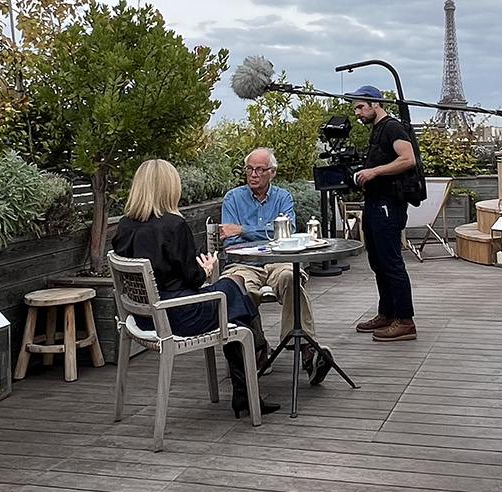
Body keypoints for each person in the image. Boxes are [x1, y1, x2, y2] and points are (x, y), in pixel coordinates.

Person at [110, 158, 280, 418]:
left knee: (233, 289)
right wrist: (207, 269)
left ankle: (250, 373)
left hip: (142, 317)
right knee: (234, 290)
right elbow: (192, 279)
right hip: (177, 316)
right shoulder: (173, 226)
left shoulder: (125, 225)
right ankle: (255, 353)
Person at [219, 148, 335, 386]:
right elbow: (229, 240)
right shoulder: (233, 198)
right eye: (249, 169)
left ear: (271, 172)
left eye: (259, 170)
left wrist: (243, 229)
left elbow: (286, 235)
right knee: (240, 291)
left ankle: (306, 351)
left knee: (291, 278)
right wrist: (263, 233)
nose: (253, 175)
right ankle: (258, 349)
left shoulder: (283, 197)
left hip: (278, 259)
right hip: (244, 263)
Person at [350, 85, 419, 342]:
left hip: (389, 204)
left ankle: (405, 320)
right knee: (378, 262)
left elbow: (408, 158)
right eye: (356, 108)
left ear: (375, 104)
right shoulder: (378, 130)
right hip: (375, 201)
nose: (358, 113)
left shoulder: (392, 127)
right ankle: (387, 313)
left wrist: (374, 172)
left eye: (360, 107)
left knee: (391, 263)